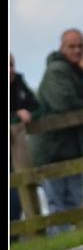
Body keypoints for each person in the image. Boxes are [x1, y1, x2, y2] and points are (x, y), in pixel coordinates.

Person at [30, 29, 83, 234]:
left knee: (75, 201)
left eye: (81, 46)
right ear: (62, 48)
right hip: (51, 151)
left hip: (72, 150)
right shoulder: (56, 70)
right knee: (58, 206)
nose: (77, 50)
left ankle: (77, 244)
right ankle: (59, 247)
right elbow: (65, 103)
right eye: (72, 46)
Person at [10, 53, 41, 229]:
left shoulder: (19, 83)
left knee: (19, 194)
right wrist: (15, 116)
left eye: (11, 64)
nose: (10, 70)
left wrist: (28, 114)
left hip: (18, 156)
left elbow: (37, 107)